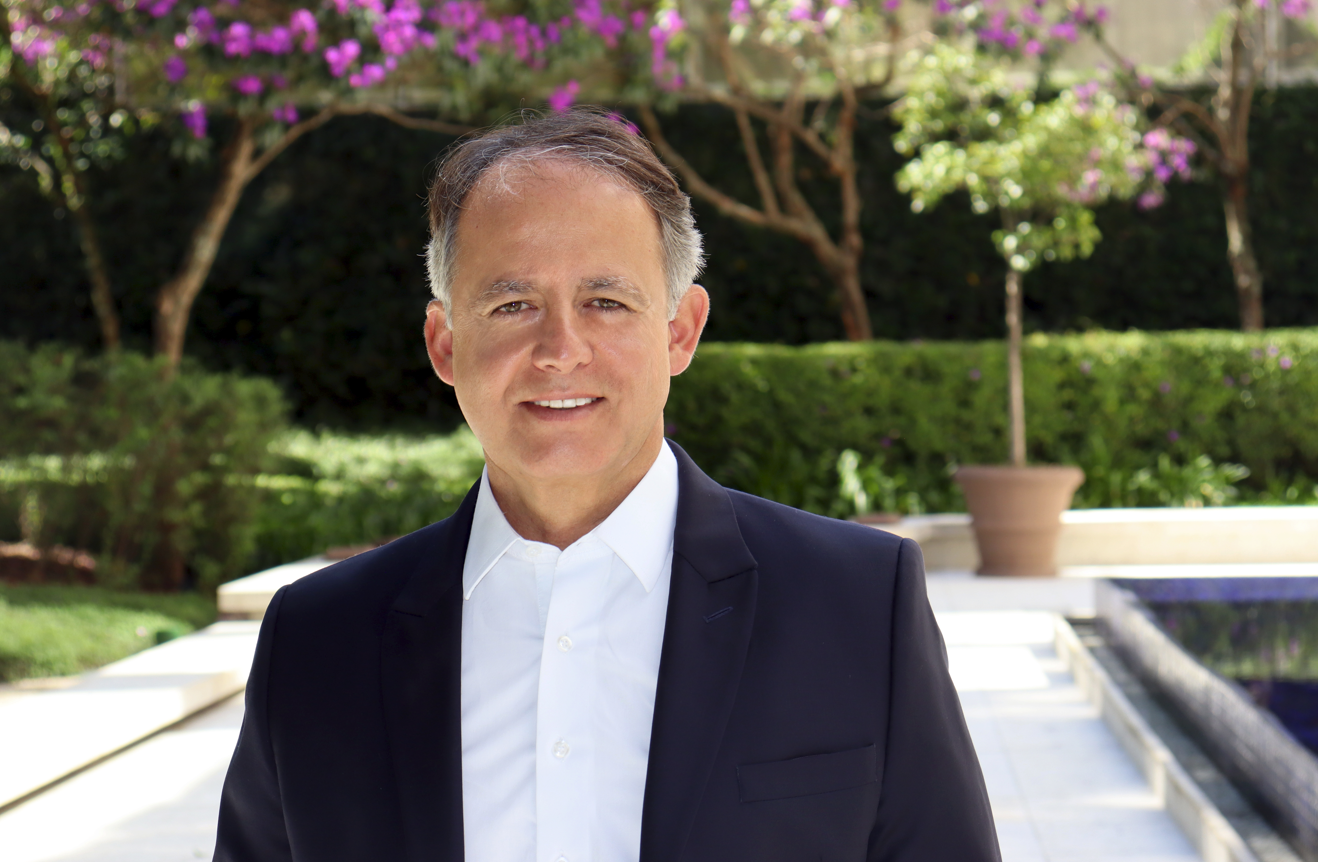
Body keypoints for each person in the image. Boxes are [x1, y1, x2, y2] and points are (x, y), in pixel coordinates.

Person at [214, 109, 1000, 862]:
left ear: (680, 330)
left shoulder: (858, 604)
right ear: (445, 342)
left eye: (605, 301)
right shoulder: (317, 642)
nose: (561, 348)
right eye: (513, 303)